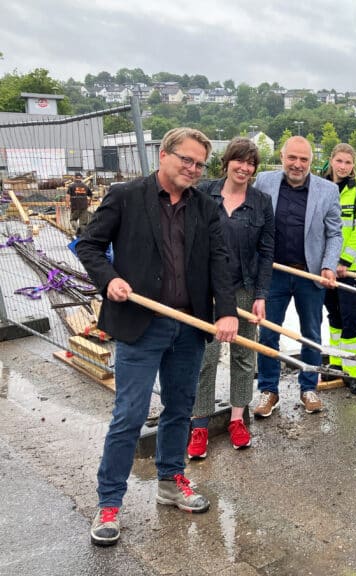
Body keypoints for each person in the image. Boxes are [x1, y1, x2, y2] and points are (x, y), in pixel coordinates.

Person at [77, 127, 239, 546]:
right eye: (186, 159)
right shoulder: (125, 196)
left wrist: (226, 312)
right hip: (139, 324)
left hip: (188, 325)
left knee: (180, 407)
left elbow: (219, 261)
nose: (193, 169)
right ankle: (109, 502)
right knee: (129, 415)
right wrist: (109, 279)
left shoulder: (205, 206)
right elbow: (89, 246)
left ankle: (170, 480)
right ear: (163, 155)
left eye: (200, 164)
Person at [187, 137, 275, 459]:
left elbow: (266, 253)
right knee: (205, 358)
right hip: (206, 292)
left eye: (251, 163)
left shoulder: (262, 202)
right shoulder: (202, 194)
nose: (244, 168)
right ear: (226, 163)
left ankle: (237, 419)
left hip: (244, 289)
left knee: (243, 357)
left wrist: (261, 295)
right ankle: (199, 424)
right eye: (239, 160)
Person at [254, 136, 342, 417]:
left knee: (311, 334)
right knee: (268, 333)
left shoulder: (327, 190)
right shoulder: (264, 182)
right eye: (292, 158)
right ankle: (268, 390)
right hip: (273, 274)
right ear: (282, 157)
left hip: (309, 274)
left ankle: (308, 387)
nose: (297, 164)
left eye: (304, 159)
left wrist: (328, 265)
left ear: (311, 162)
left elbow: (334, 233)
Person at [321, 143, 356, 396]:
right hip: (326, 269)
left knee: (351, 320)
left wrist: (344, 261)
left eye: (348, 162)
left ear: (354, 165)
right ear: (331, 160)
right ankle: (336, 363)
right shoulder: (320, 187)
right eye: (339, 161)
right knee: (334, 318)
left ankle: (353, 373)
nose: (343, 167)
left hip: (351, 270)